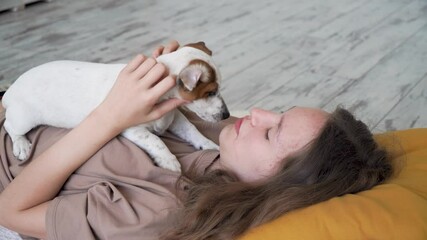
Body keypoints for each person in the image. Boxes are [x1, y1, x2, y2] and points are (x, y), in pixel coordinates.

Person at [0, 40, 393, 240]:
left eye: (271, 131)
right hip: (27, 101)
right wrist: (169, 69)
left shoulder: (160, 210)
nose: (256, 113)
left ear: (279, 184)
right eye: (277, 111)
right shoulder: (221, 144)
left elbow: (10, 212)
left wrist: (108, 117)